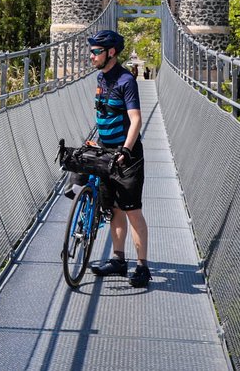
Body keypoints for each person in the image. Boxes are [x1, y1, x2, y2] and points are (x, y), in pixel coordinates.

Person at [86, 29, 151, 288]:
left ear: (111, 52)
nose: (91, 56)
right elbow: (103, 113)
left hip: (127, 155)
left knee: (132, 210)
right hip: (106, 150)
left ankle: (142, 267)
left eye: (96, 51)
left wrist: (125, 149)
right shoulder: (101, 78)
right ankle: (118, 260)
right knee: (113, 209)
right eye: (91, 51)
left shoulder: (126, 80)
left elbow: (135, 119)